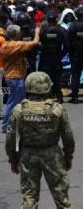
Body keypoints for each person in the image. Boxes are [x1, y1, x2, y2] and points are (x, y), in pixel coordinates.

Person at [5, 71, 75, 209]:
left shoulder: (19, 110)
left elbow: (10, 138)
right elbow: (68, 137)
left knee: (29, 197)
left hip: (27, 156)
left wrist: (13, 159)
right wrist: (68, 156)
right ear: (48, 87)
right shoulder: (57, 109)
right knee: (61, 197)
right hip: (52, 156)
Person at [0, 25, 40, 133]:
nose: (21, 34)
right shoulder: (16, 44)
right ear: (15, 34)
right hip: (15, 77)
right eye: (19, 32)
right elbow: (35, 42)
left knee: (21, 102)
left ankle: (22, 124)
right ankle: (5, 125)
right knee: (12, 102)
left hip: (10, 76)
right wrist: (37, 31)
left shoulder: (5, 44)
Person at [39, 11, 67, 103]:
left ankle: (45, 98)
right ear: (56, 19)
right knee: (57, 78)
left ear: (47, 20)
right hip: (56, 57)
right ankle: (59, 97)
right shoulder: (61, 30)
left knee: (44, 78)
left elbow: (37, 43)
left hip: (45, 58)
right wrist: (61, 54)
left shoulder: (42, 30)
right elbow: (67, 45)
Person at [68, 6, 83, 104]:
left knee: (75, 75)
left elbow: (68, 41)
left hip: (76, 54)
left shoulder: (72, 26)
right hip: (76, 54)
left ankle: (75, 96)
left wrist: (70, 53)